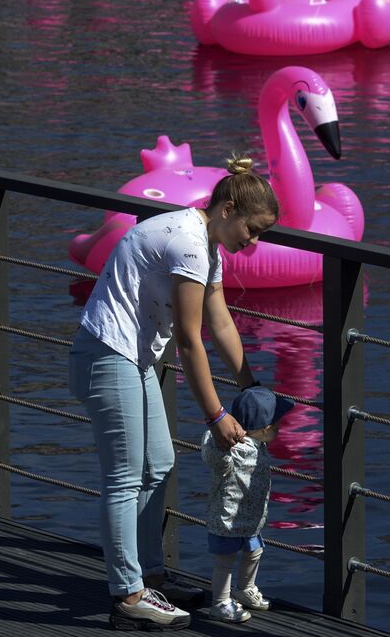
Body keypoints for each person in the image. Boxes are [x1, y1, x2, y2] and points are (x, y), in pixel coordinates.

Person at [69, 156, 278, 631]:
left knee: (158, 464)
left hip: (132, 358)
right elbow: (188, 339)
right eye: (254, 228)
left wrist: (250, 384)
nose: (255, 241)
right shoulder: (187, 242)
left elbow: (220, 321)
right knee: (124, 478)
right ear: (227, 210)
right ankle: (128, 593)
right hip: (106, 356)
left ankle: (149, 576)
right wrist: (216, 415)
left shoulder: (208, 245)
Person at [199, 384, 294, 623]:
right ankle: (220, 602)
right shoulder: (229, 450)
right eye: (276, 424)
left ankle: (245, 588)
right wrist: (214, 429)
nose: (280, 427)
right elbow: (211, 454)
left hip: (252, 520)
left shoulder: (259, 445)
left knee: (255, 552)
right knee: (225, 562)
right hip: (228, 520)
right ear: (264, 429)